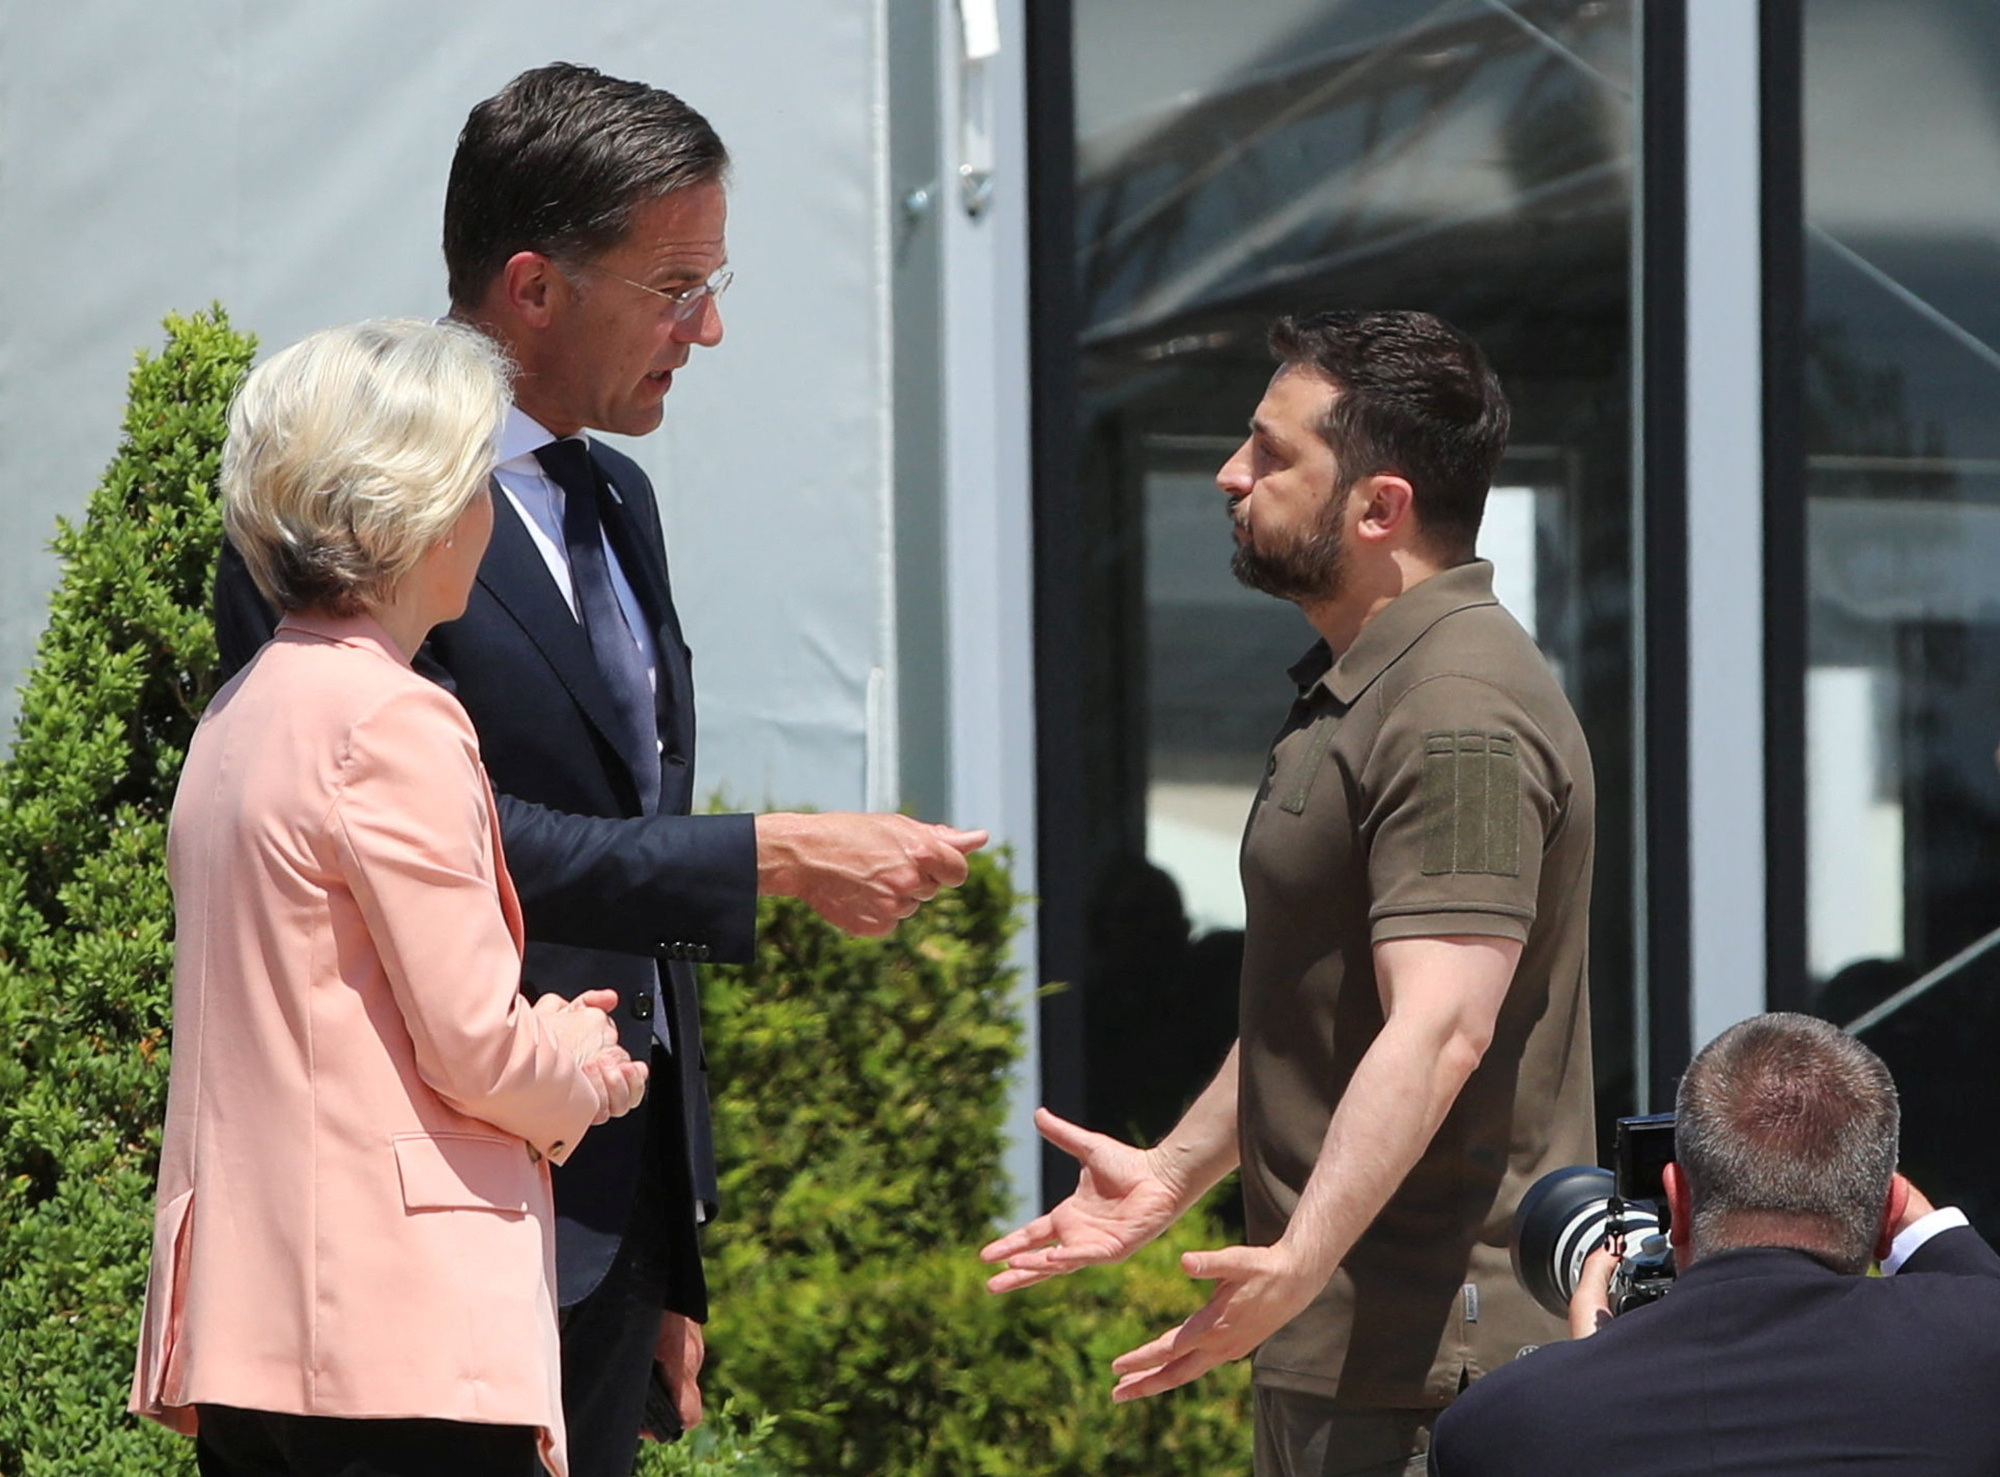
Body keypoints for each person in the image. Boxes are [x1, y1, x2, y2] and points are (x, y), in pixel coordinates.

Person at [211, 63, 987, 1477]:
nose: (710, 327)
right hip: (415, 1234)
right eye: (677, 284)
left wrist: (668, 1252)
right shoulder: (331, 525)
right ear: (535, 288)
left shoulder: (614, 497)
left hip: (608, 1215)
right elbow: (438, 835)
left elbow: (623, 832)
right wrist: (769, 859)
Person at [983, 309, 1596, 1477]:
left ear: (1377, 508)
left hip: (1428, 1372)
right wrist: (1169, 1176)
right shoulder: (1368, 686)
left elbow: (1441, 1023)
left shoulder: (1456, 705)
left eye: (1271, 454)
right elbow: (1316, 1005)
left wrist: (1301, 1258)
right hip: (1352, 1356)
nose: (1230, 475)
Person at [132, 319, 649, 1477]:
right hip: (397, 1334)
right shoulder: (395, 721)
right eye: (472, 481)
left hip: (254, 1328)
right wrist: (586, 1064)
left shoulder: (243, 710)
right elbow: (474, 1044)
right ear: (407, 513)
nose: (486, 515)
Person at [1429, 1012, 2000, 1476]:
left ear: (1676, 1203)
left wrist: (1589, 1373)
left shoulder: (1501, 1427)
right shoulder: (1975, 1350)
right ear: (1887, 1215)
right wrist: (1931, 1232)